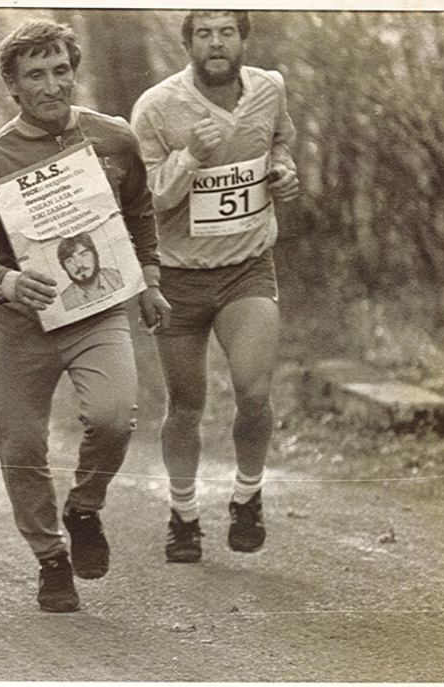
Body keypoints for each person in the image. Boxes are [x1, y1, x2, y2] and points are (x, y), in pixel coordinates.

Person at [0, 19, 172, 613]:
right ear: (12, 86)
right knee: (20, 445)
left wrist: (148, 281)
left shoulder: (114, 138)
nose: (52, 86)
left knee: (113, 415)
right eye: (35, 75)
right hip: (26, 320)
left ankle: (85, 507)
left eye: (61, 71)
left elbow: (140, 214)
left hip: (98, 310)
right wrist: (8, 281)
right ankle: (51, 560)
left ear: (74, 72)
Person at [130, 10, 300, 563]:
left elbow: (280, 142)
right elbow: (149, 199)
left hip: (247, 265)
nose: (216, 43)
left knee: (253, 391)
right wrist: (191, 157)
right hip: (178, 274)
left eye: (227, 32)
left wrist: (283, 169)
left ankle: (247, 497)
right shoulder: (156, 107)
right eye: (204, 33)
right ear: (188, 45)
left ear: (243, 39)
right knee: (186, 404)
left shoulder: (270, 89)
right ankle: (183, 516)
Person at [56, 232, 125, 312]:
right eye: (69, 260)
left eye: (84, 255)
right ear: (64, 267)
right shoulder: (64, 302)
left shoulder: (120, 277)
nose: (79, 265)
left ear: (95, 255)